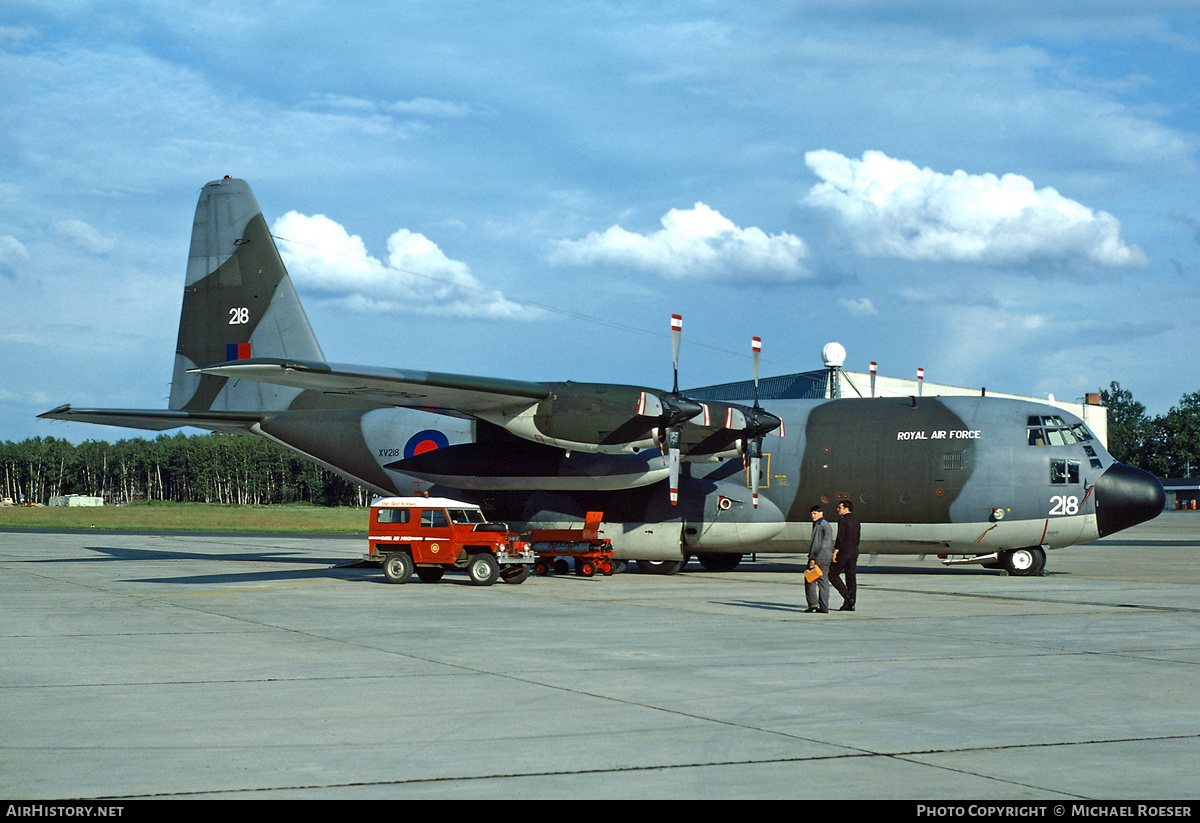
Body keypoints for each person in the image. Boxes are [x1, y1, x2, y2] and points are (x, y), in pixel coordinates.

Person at [831, 500, 860, 611]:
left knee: (832, 574)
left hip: (844, 551)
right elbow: (857, 538)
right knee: (851, 577)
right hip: (854, 551)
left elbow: (840, 538)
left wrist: (835, 552)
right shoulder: (856, 521)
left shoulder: (843, 521)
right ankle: (851, 604)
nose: (838, 509)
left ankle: (847, 597)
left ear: (846, 509)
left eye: (840, 507)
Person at [806, 504, 833, 613]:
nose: (813, 516)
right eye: (812, 514)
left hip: (818, 557)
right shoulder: (826, 524)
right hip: (826, 556)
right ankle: (824, 606)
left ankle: (813, 605)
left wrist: (813, 558)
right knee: (823, 581)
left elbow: (816, 544)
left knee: (810, 580)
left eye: (815, 513)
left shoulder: (819, 525)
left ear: (821, 513)